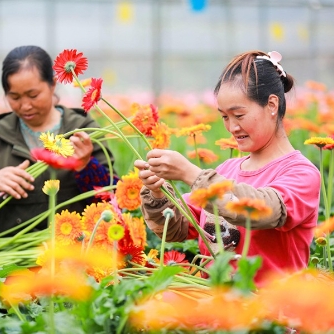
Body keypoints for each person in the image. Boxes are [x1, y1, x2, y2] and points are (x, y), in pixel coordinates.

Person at [135, 50, 321, 284]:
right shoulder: (227, 170)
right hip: (217, 309)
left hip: (271, 315)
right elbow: (176, 229)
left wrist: (190, 174)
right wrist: (157, 191)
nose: (232, 127)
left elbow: (263, 210)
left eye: (239, 115)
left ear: (272, 104)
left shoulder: (301, 173)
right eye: (224, 117)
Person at [0, 45, 117, 236]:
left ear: (52, 85)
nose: (25, 106)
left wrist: (86, 165)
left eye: (33, 95)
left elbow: (112, 201)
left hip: (76, 253)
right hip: (12, 257)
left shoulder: (82, 130)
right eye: (14, 97)